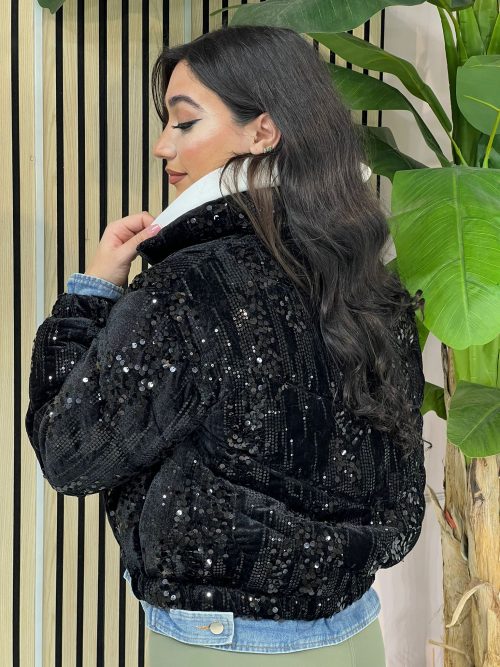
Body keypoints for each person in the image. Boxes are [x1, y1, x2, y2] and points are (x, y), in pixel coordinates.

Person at [25, 25, 427, 667]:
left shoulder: (188, 288)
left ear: (262, 132)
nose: (163, 145)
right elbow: (399, 502)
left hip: (224, 645)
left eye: (184, 122)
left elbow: (69, 453)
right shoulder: (368, 279)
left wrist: (92, 294)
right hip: (355, 633)